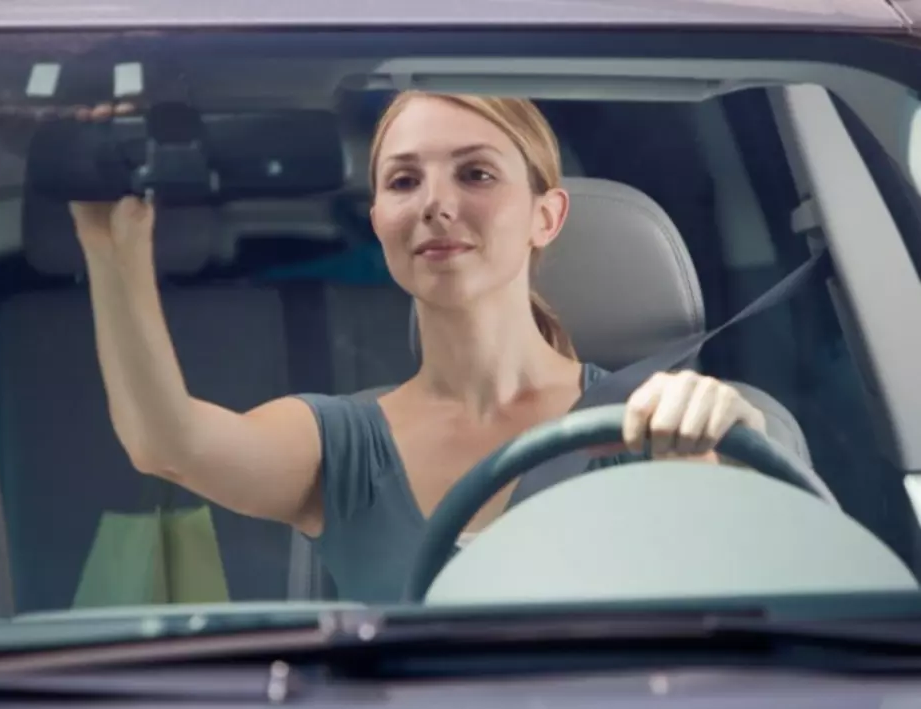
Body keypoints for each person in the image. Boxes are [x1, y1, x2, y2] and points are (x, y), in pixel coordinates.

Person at [68, 91, 766, 603]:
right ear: (379, 221)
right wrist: (114, 249)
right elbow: (168, 442)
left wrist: (716, 459)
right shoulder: (342, 447)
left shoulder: (656, 424)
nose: (436, 203)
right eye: (404, 180)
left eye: (476, 174)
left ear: (545, 216)